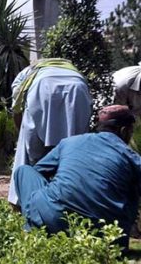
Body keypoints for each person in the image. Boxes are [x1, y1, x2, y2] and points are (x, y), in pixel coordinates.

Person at [13, 105, 141, 250]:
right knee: (132, 191)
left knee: (23, 171)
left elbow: (37, 172)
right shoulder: (133, 159)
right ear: (125, 131)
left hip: (56, 220)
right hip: (107, 236)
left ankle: (34, 228)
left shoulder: (70, 142)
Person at [8, 59, 92, 205]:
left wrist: (21, 132)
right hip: (78, 88)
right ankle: (73, 199)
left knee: (32, 152)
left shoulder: (25, 74)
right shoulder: (72, 69)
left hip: (43, 87)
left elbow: (16, 105)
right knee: (75, 149)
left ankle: (30, 199)